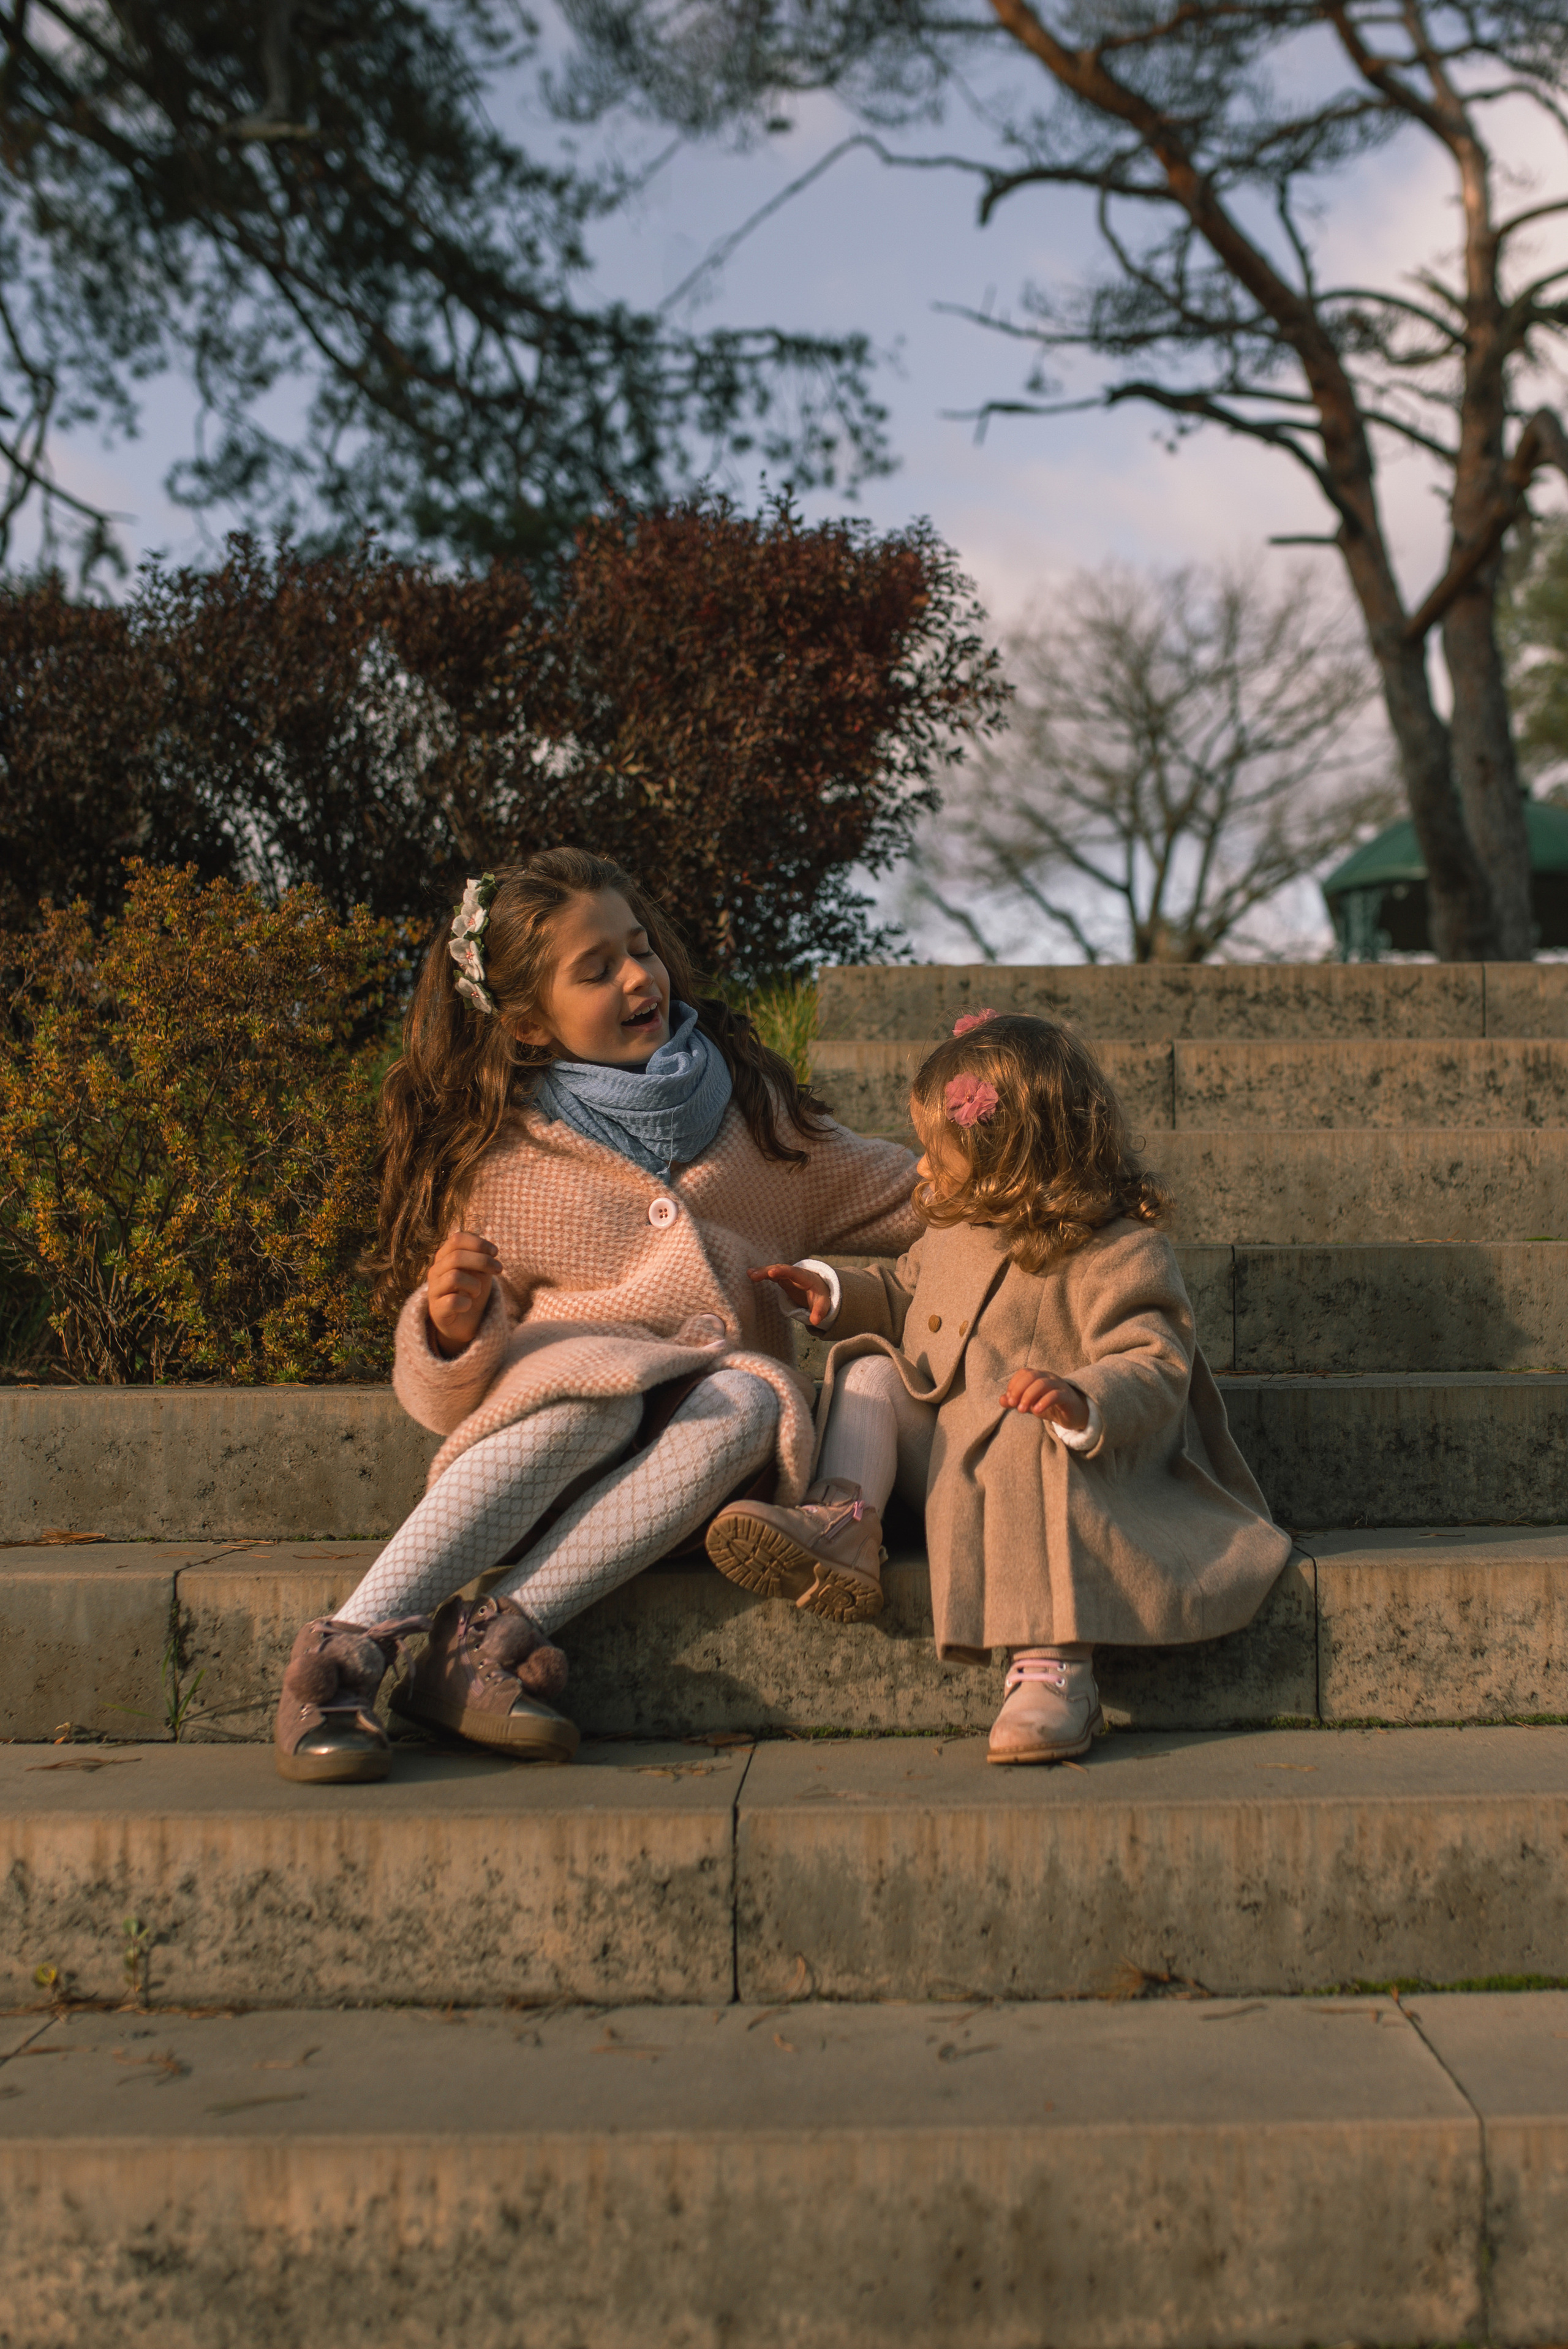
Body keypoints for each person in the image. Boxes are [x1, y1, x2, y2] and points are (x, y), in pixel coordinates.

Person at [272, 849, 919, 1783]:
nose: (637, 976)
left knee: (750, 1401)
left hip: (689, 1466)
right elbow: (445, 1384)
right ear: (531, 1024)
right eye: (597, 968)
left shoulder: (753, 1116)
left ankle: (483, 1648)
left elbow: (897, 1188)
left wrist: (1038, 1177)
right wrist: (451, 1326)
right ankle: (347, 1648)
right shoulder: (504, 1154)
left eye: (640, 948)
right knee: (599, 1399)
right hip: (553, 1443)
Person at [707, 1010, 1292, 1764]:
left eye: (936, 1155)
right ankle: (845, 1521)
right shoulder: (950, 1235)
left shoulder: (1120, 1251)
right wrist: (834, 1293)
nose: (919, 1171)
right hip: (950, 1459)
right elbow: (904, 1300)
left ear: (1010, 1160)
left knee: (1025, 1438)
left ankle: (1052, 1669)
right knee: (869, 1363)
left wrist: (1082, 1400)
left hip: (1069, 1468)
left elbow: (1153, 1361)